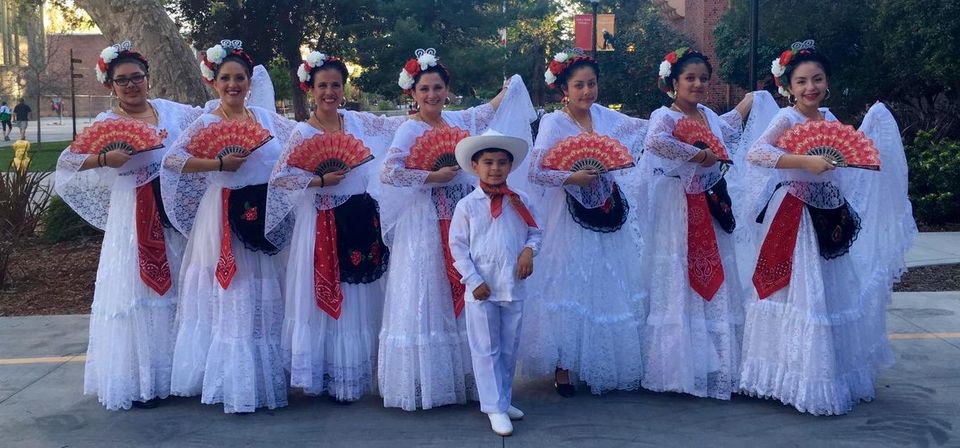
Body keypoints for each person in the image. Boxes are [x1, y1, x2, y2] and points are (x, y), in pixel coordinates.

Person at [738, 40, 915, 415]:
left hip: (829, 213)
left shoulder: (831, 120)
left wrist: (837, 165)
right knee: (801, 291)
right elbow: (756, 153)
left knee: (828, 292)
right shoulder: (787, 119)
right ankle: (789, 377)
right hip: (794, 216)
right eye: (801, 81)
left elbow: (848, 157)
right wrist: (803, 160)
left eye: (817, 79)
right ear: (787, 86)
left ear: (827, 82)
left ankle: (828, 374)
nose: (810, 88)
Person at [377, 48, 536, 411]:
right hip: (423, 221)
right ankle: (427, 382)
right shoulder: (409, 128)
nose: (432, 95)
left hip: (462, 217)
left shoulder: (457, 123)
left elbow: (486, 111)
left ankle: (468, 379)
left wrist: (508, 88)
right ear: (413, 94)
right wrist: (431, 175)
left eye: (438, 88)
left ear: (447, 89)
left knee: (468, 295)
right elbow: (389, 172)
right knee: (427, 289)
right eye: (425, 90)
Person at [54, 40, 201, 411]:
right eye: (123, 80)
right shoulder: (107, 124)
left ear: (148, 78)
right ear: (110, 86)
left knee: (180, 286)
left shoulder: (170, 112)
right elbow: (67, 164)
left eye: (138, 77)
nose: (132, 85)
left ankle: (179, 375)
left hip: (170, 214)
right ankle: (142, 380)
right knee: (137, 292)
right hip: (132, 219)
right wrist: (105, 156)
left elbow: (209, 121)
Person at [162, 39, 296, 414]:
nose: (233, 85)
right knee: (233, 292)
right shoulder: (207, 122)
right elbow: (173, 162)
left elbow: (296, 150)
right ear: (214, 82)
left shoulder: (265, 119)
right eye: (226, 78)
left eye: (240, 78)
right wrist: (217, 166)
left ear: (250, 81)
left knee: (263, 292)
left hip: (260, 213)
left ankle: (266, 374)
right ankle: (234, 382)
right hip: (222, 215)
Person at [265, 50, 405, 402]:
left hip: (359, 216)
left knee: (358, 297)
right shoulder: (301, 132)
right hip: (320, 222)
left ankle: (353, 375)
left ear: (344, 88)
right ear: (310, 89)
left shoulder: (357, 123)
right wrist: (317, 181)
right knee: (322, 295)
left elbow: (397, 126)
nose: (330, 92)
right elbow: (280, 178)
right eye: (323, 85)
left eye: (336, 85)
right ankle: (325, 373)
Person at [519, 51, 646, 396]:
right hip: (568, 215)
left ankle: (597, 360)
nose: (586, 91)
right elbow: (535, 171)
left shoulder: (606, 117)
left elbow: (644, 133)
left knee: (607, 281)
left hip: (608, 209)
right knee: (569, 284)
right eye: (579, 85)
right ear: (564, 89)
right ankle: (563, 365)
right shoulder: (553, 123)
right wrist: (571, 177)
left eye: (591, 84)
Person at [637, 48, 752, 400]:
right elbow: (654, 141)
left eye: (703, 78)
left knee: (715, 271)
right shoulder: (665, 116)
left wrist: (750, 103)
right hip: (676, 205)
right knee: (678, 275)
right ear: (673, 83)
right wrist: (695, 154)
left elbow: (728, 131)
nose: (698, 84)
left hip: (710, 200)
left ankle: (715, 364)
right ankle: (677, 367)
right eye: (690, 78)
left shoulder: (708, 116)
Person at [449, 130, 541, 436]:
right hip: (482, 288)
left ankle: (503, 398)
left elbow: (534, 231)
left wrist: (529, 251)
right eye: (488, 162)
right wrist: (473, 279)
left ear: (510, 166)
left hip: (512, 285)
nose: (495, 168)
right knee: (485, 348)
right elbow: (458, 246)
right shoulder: (467, 206)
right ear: (475, 165)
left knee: (508, 347)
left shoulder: (520, 200)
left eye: (502, 162)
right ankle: (493, 407)